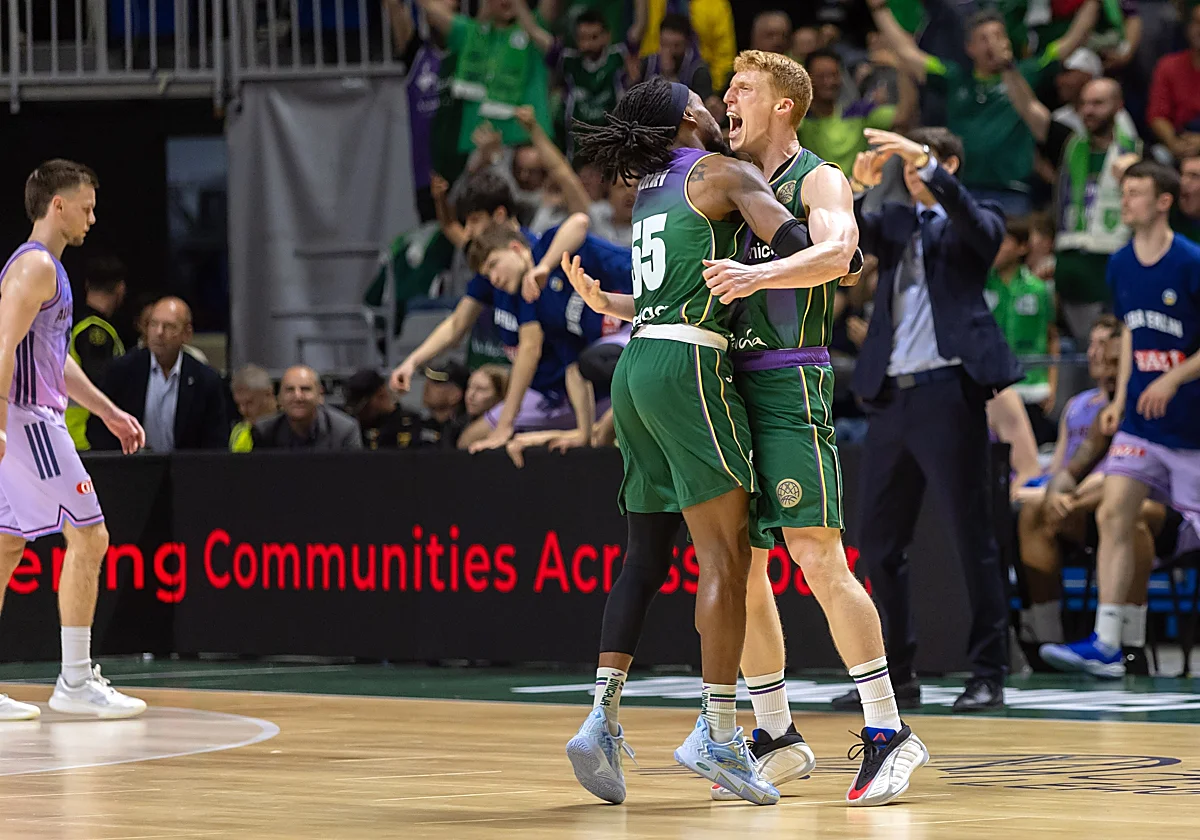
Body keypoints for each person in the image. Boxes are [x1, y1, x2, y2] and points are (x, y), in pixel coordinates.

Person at [561, 74, 861, 807]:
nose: (718, 103)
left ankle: (601, 718)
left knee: (644, 551)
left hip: (634, 362)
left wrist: (610, 302)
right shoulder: (726, 171)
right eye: (706, 95)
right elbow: (805, 252)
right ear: (689, 115)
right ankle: (721, 733)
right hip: (689, 367)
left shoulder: (649, 191)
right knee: (728, 558)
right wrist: (818, 242)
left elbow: (675, 284)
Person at [842, 126, 1023, 713]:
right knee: (876, 542)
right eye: (909, 164)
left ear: (949, 163)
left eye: (921, 163)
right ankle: (895, 676)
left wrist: (927, 166)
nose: (911, 173)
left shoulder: (973, 218)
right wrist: (857, 190)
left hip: (948, 392)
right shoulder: (897, 226)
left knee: (973, 535)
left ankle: (989, 671)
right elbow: (845, 242)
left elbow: (983, 230)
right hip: (891, 399)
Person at [1039, 162, 1200, 676]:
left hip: (1191, 429)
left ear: (1163, 202)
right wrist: (1123, 397)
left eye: (1134, 193)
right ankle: (1108, 642)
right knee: (1112, 513)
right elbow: (1131, 331)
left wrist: (1172, 380)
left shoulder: (1190, 261)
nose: (1124, 201)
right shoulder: (1121, 264)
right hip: (1141, 426)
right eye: (1124, 192)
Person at [0, 160, 147, 721]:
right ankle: (76, 681)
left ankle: (73, 681)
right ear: (56, 205)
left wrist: (108, 411)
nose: (93, 216)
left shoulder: (48, 271)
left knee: (6, 546)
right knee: (90, 536)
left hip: (27, 415)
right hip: (27, 420)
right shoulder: (36, 266)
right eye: (85, 206)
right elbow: (2, 344)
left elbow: (53, 359)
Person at [388, 177, 593, 450]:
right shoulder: (492, 267)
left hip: (570, 387)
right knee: (470, 443)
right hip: (542, 390)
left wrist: (506, 423)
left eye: (474, 220)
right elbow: (456, 324)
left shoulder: (530, 262)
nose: (469, 232)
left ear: (499, 215)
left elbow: (530, 349)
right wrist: (412, 361)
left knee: (489, 441)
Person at [1016, 318, 1166, 675]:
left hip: (1166, 508)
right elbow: (1070, 468)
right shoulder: (1096, 411)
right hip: (1095, 508)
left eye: (1112, 353)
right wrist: (1056, 492)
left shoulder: (1156, 401)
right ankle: (1046, 644)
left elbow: (1128, 476)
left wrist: (1072, 498)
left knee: (1129, 512)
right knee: (1031, 514)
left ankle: (1132, 647)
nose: (1100, 356)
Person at [866, 0, 1099, 217]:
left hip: (1012, 193)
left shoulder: (1028, 74)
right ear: (970, 48)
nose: (992, 44)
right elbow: (908, 54)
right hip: (963, 190)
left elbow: (1074, 38)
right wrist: (880, 9)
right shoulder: (955, 79)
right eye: (984, 38)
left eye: (998, 36)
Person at [455, 219, 629, 449]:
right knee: (591, 377)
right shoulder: (539, 306)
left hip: (651, 298)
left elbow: (580, 221)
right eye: (487, 275)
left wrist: (545, 265)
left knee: (601, 366)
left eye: (494, 265)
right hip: (622, 345)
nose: (494, 278)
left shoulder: (547, 247)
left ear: (515, 249)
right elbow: (573, 368)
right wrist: (583, 435)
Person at [1002, 69, 1139, 341]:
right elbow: (1029, 109)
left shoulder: (1138, 154)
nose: (1088, 110)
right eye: (1084, 104)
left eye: (1098, 104)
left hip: (1117, 267)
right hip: (1073, 272)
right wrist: (1008, 69)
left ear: (1118, 106)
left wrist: (1136, 174)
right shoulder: (1069, 145)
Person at [88, 297, 229, 452]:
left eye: (169, 326)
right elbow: (97, 429)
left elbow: (216, 442)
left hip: (185, 470)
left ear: (187, 333)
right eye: (153, 324)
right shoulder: (122, 370)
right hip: (131, 468)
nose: (159, 332)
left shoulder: (205, 380)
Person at [984, 217, 1059, 443]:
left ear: (1022, 247)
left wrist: (1052, 385)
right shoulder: (980, 286)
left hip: (1031, 385)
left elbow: (1051, 337)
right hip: (991, 385)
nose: (996, 247)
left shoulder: (1039, 289)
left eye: (1003, 242)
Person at [65, 255, 127, 450]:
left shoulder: (70, 323)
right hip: (84, 437)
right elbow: (103, 383)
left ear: (86, 285)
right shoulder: (95, 331)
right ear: (120, 288)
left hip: (72, 435)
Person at [252, 366, 362, 451]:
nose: (298, 396)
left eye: (305, 389)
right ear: (280, 397)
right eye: (290, 390)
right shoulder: (264, 432)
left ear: (320, 394)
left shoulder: (345, 430)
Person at [1147, 5, 1200, 162]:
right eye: (1196, 23)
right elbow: (1157, 115)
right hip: (1180, 141)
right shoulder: (1168, 65)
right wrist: (1174, 143)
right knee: (1157, 156)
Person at [344, 369, 420, 449]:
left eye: (365, 407)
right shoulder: (354, 425)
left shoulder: (407, 423)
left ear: (381, 394)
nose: (360, 413)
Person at [229, 364, 277, 453]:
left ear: (268, 394)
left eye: (249, 403)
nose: (243, 411)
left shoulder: (289, 427)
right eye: (239, 404)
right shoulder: (238, 430)